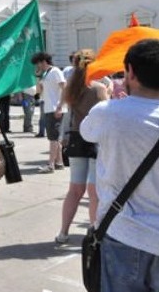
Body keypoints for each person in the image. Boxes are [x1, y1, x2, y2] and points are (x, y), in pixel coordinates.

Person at [80, 39, 159, 291]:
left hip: (124, 234)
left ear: (131, 71)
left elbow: (86, 132)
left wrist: (107, 98)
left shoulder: (108, 112)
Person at [55, 49, 108, 244]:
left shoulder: (71, 89)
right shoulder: (99, 88)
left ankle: (63, 232)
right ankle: (94, 235)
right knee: (94, 192)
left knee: (74, 190)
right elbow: (107, 114)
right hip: (96, 139)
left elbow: (65, 112)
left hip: (77, 138)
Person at [31, 52, 67, 173]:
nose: (37, 66)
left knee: (53, 138)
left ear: (43, 62)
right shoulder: (46, 74)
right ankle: (59, 162)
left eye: (38, 64)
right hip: (48, 108)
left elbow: (65, 88)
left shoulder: (55, 71)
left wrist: (60, 106)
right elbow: (38, 92)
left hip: (55, 108)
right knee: (55, 137)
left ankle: (50, 164)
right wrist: (37, 77)